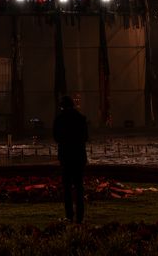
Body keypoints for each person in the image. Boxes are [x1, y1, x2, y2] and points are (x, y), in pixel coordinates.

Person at [53, 95, 88, 224]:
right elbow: (85, 137)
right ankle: (80, 217)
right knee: (79, 187)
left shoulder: (59, 119)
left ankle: (69, 215)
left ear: (62, 106)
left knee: (67, 187)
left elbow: (56, 137)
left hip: (66, 157)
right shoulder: (81, 118)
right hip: (79, 156)